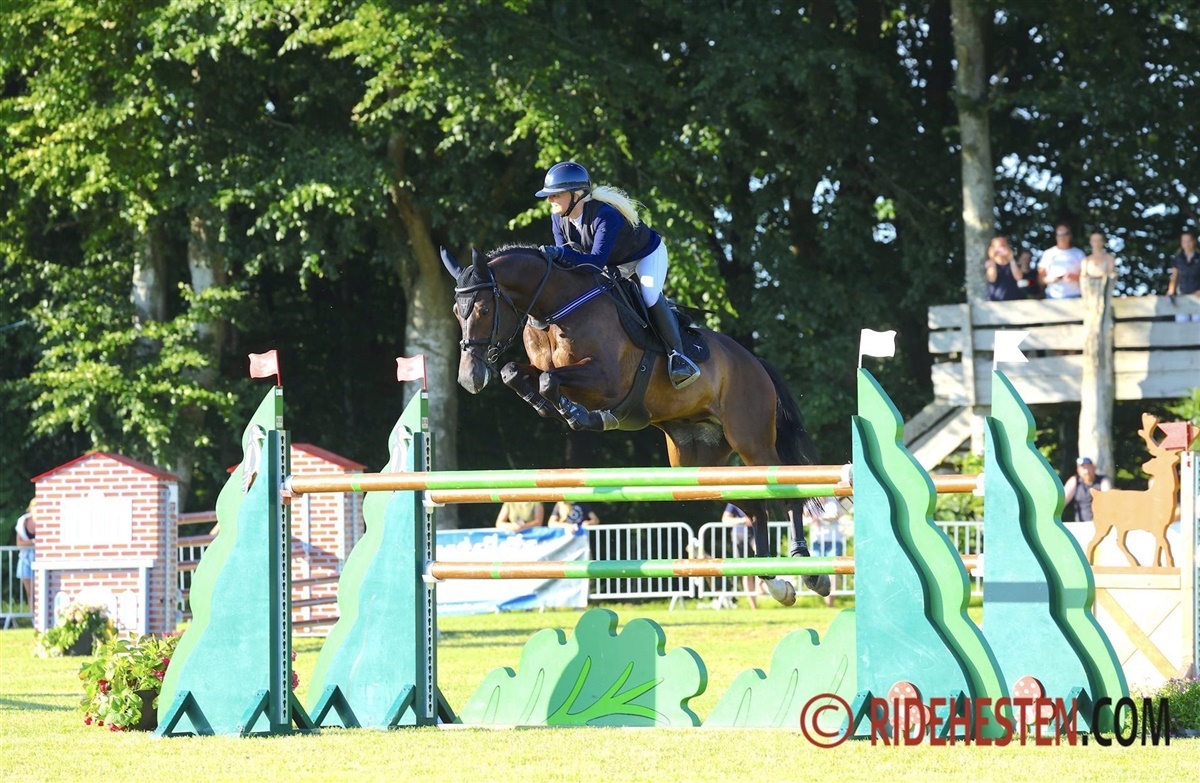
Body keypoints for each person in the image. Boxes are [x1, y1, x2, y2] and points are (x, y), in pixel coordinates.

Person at [535, 161, 700, 389]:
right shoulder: (558, 218)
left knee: (649, 295)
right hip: (613, 264)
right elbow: (567, 260)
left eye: (556, 195)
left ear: (576, 195)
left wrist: (560, 253)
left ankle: (678, 357)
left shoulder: (605, 215)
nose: (550, 200)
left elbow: (594, 262)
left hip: (644, 256)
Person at [802, 498, 843, 607]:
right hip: (817, 542)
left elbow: (835, 516)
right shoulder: (810, 503)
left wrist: (817, 519)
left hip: (833, 540)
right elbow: (804, 519)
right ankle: (825, 598)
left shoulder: (832, 501)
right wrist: (815, 519)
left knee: (833, 571)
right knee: (816, 569)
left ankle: (830, 600)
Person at [721, 504, 758, 610]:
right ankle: (754, 606)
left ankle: (760, 584)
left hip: (755, 534)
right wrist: (742, 520)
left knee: (762, 559)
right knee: (746, 572)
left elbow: (765, 515)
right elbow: (725, 519)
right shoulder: (733, 504)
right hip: (739, 536)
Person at [1039, 223, 1084, 300]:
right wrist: (1049, 279)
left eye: (1065, 234)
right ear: (1056, 236)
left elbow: (1086, 276)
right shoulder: (1048, 253)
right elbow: (1040, 279)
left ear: (1070, 236)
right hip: (1052, 296)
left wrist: (1074, 277)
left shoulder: (1079, 254)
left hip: (1074, 295)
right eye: (1059, 234)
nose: (1062, 237)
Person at [1062, 457, 1112, 523]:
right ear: (1078, 470)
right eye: (1083, 468)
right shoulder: (1075, 481)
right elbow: (1062, 500)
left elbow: (1108, 499)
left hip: (1100, 524)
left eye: (1089, 467)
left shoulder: (1103, 481)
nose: (1087, 471)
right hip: (1081, 525)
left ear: (1094, 468)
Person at [1167, 229, 1200, 322]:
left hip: (1197, 297)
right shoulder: (1178, 258)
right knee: (1181, 324)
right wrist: (1170, 291)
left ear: (1194, 242)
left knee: (1197, 325)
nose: (1187, 244)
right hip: (1182, 295)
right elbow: (1174, 276)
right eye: (1184, 241)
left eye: (1189, 241)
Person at [984, 235, 1025, 301]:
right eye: (999, 246)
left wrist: (1011, 258)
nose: (1002, 249)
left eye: (1004, 245)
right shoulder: (991, 263)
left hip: (1015, 300)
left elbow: (1019, 277)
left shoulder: (1013, 263)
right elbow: (992, 279)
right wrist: (992, 258)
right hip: (996, 301)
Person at [15, 499, 36, 608]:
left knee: (38, 591)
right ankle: (33, 615)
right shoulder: (23, 521)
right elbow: (19, 544)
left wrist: (28, 543)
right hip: (25, 558)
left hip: (39, 558)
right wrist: (33, 542)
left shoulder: (45, 522)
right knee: (30, 593)